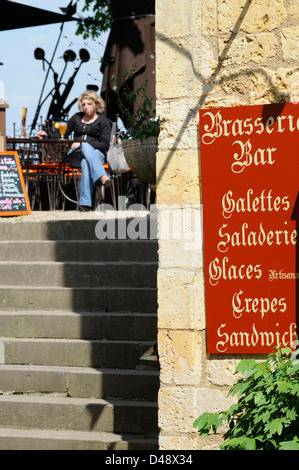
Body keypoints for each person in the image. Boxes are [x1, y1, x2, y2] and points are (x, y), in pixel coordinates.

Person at [38, 90, 112, 212]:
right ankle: (101, 176)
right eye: (83, 104)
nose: (86, 107)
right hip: (75, 155)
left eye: (89, 104)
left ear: (96, 105)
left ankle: (85, 204)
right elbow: (63, 135)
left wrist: (84, 144)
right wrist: (47, 136)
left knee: (85, 160)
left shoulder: (103, 121)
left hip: (95, 155)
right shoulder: (76, 118)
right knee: (85, 150)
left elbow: (105, 144)